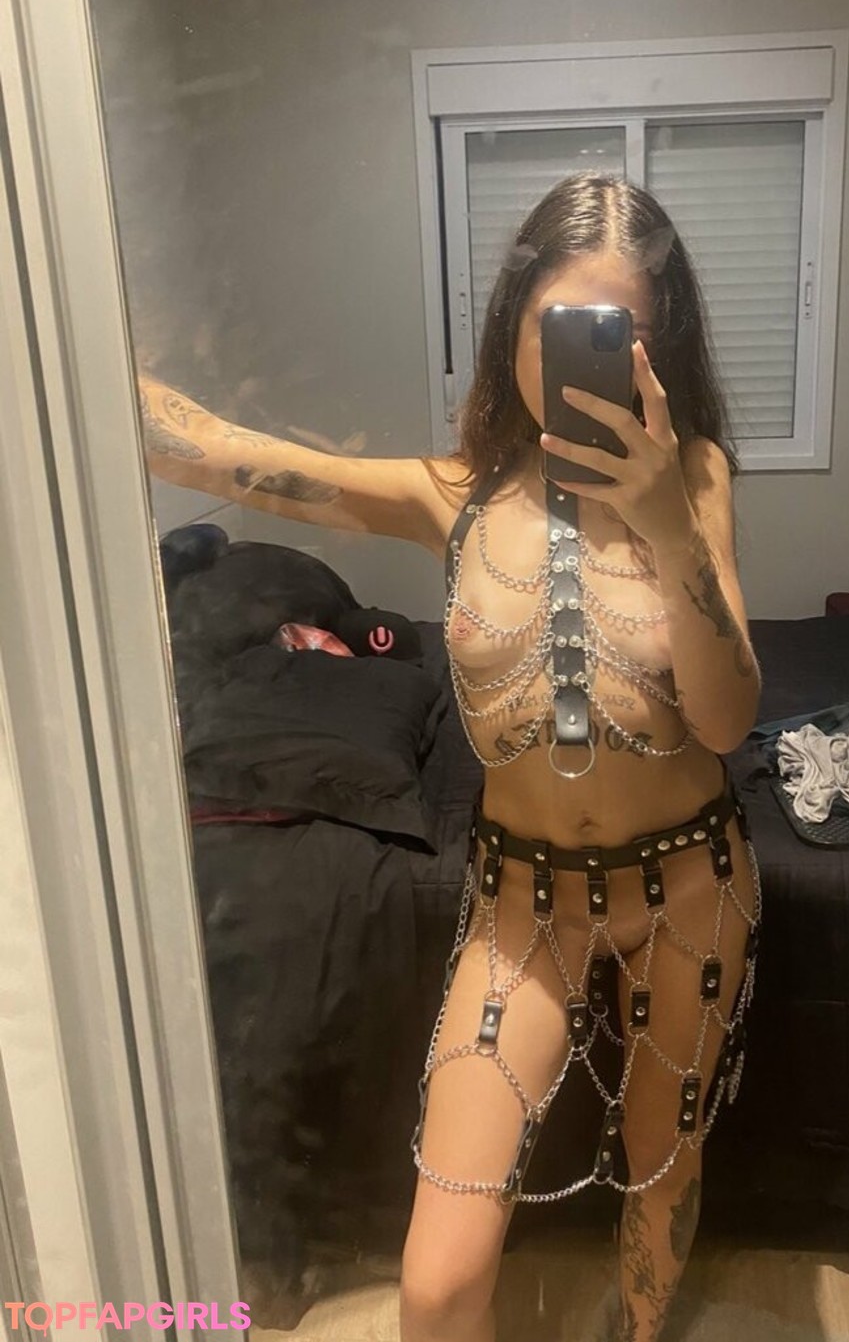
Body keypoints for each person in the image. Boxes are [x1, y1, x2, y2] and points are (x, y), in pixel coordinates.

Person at [139, 171, 763, 1342]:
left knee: (659, 1171)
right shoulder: (454, 496)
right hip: (523, 900)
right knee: (436, 1279)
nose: (581, 360)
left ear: (657, 347)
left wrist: (668, 524)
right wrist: (63, 351)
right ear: (513, 327)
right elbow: (228, 456)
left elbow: (728, 721)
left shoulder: (697, 480)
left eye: (616, 331)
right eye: (556, 327)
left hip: (689, 882)